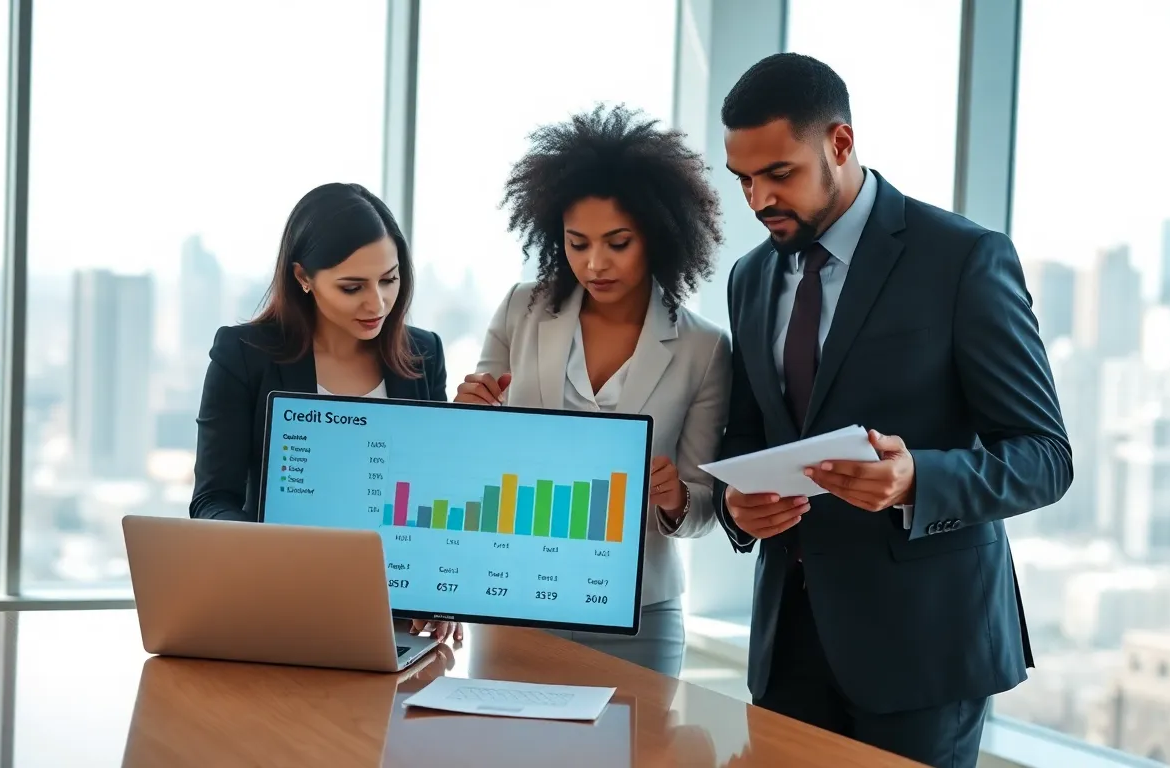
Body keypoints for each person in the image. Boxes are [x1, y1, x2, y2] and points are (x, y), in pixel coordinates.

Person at [711, 53, 1072, 767]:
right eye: (744, 180)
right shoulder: (751, 278)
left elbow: (1045, 457)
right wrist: (736, 509)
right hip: (789, 650)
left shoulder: (963, 260)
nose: (758, 200)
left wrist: (915, 481)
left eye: (778, 174)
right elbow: (747, 440)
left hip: (924, 653)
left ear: (840, 144)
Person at [453, 104, 731, 677]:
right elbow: (469, 460)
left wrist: (676, 497)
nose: (594, 263)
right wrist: (469, 413)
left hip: (638, 614)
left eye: (617, 243)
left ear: (658, 235)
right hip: (515, 593)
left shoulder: (704, 348)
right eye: (577, 243)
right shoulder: (521, 310)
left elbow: (706, 505)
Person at [189, 182, 460, 643]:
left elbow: (430, 494)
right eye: (352, 287)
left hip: (391, 616)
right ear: (303, 277)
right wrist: (280, 551)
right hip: (278, 603)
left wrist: (440, 587)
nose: (376, 303)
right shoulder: (244, 355)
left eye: (389, 280)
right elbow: (212, 501)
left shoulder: (423, 354)